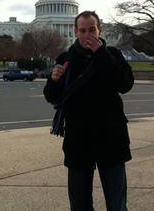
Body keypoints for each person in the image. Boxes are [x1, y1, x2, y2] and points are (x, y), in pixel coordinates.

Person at [43, 11, 134, 211]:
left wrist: (102, 55)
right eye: (82, 30)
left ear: (99, 30)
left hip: (111, 138)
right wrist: (54, 80)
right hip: (79, 139)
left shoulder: (113, 55)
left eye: (91, 29)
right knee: (79, 205)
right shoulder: (66, 59)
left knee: (117, 204)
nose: (87, 35)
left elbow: (125, 84)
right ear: (75, 32)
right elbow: (53, 97)